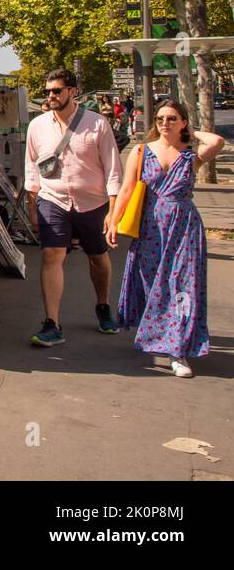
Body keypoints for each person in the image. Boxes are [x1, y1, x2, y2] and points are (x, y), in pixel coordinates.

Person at [107, 100, 224, 377]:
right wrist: (113, 222)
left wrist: (192, 133)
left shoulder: (190, 155)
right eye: (160, 119)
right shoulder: (141, 151)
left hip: (185, 226)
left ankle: (178, 351)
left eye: (172, 118)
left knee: (182, 285)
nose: (165, 124)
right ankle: (159, 336)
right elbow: (126, 189)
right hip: (151, 226)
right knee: (152, 284)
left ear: (183, 121)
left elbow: (217, 141)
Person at [24, 68, 124, 346]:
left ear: (72, 91)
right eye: (48, 92)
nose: (51, 96)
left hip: (92, 202)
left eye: (57, 91)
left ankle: (103, 305)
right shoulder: (37, 126)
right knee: (52, 255)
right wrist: (33, 205)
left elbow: (114, 171)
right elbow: (31, 168)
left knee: (97, 257)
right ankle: (52, 323)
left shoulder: (97, 124)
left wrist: (113, 215)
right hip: (52, 199)